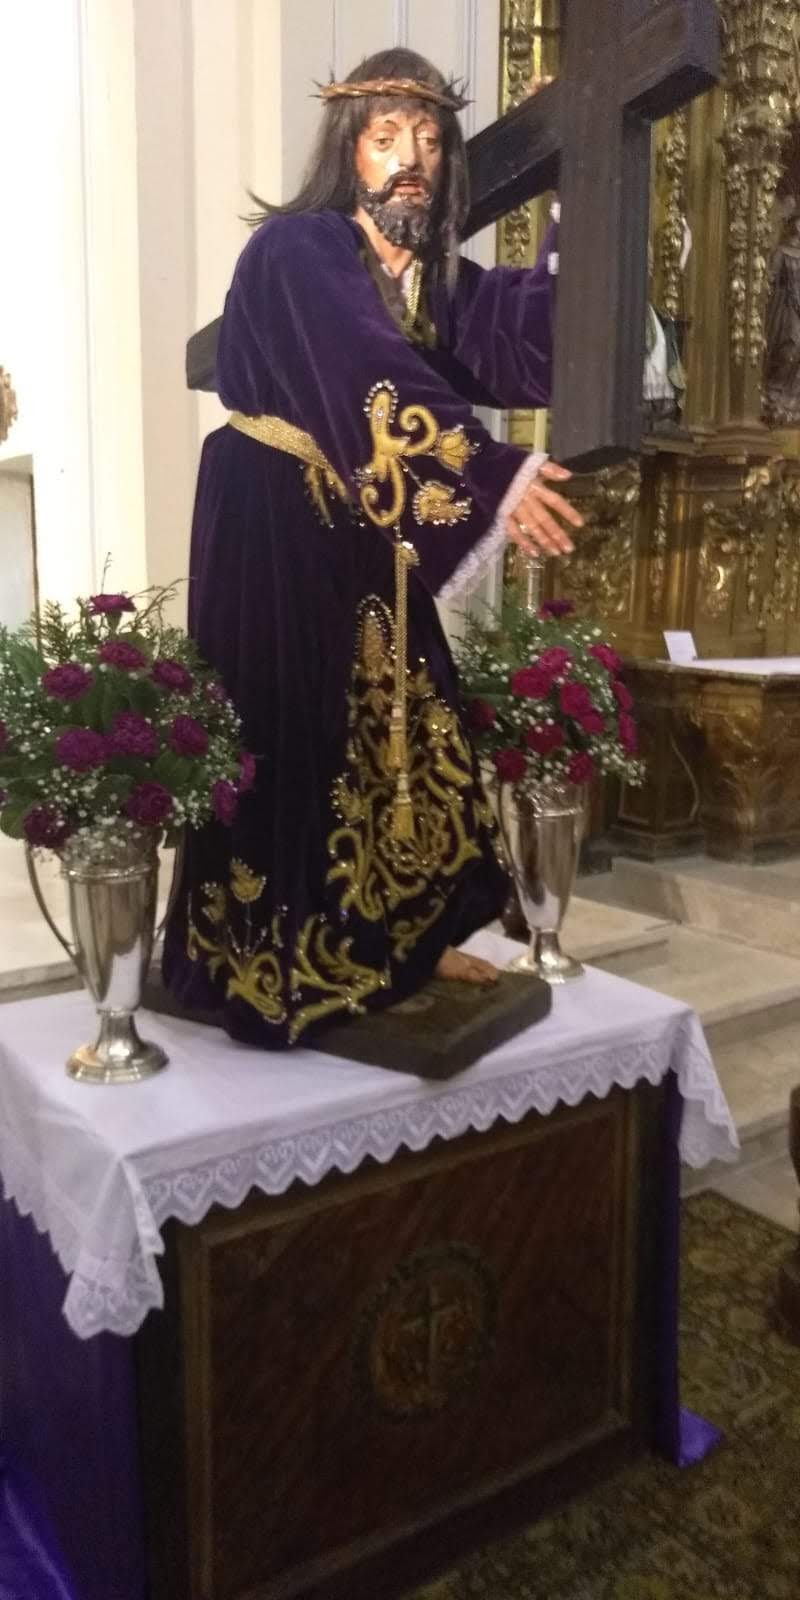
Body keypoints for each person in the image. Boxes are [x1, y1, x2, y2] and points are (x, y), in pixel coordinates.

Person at [162, 47, 582, 1049]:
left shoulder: (427, 279)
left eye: (429, 142)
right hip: (274, 522)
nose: (411, 161)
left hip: (359, 527)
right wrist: (485, 471)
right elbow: (361, 360)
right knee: (293, 730)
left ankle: (402, 942)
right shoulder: (297, 249)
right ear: (346, 150)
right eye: (386, 138)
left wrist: (583, 201)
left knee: (404, 730)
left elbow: (524, 337)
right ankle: (273, 956)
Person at [763, 200, 800, 428]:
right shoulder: (783, 252)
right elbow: (770, 280)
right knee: (790, 346)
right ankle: (775, 390)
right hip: (787, 310)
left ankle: (791, 397)